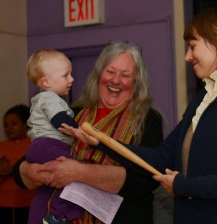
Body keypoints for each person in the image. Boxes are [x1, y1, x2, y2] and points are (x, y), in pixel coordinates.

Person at [69, 7, 217, 224]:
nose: (187, 56)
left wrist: (184, 186)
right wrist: (101, 142)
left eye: (192, 46)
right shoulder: (203, 99)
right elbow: (162, 156)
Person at [13, 41, 166, 224]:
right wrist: (30, 171)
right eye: (110, 72)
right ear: (99, 74)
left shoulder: (148, 119)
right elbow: (26, 163)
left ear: (136, 81)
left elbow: (146, 180)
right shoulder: (72, 114)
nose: (115, 80)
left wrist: (79, 172)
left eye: (125, 75)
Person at [25, 49, 83, 224]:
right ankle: (57, 215)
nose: (71, 79)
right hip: (49, 145)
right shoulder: (49, 98)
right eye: (66, 75)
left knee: (47, 188)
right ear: (46, 81)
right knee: (73, 173)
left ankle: (43, 216)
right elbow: (59, 120)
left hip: (41, 147)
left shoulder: (42, 98)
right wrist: (80, 130)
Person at [0, 104, 37, 224]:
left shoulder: (35, 145)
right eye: (6, 125)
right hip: (1, 204)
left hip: (29, 203)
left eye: (14, 123)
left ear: (25, 125)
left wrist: (16, 171)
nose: (9, 128)